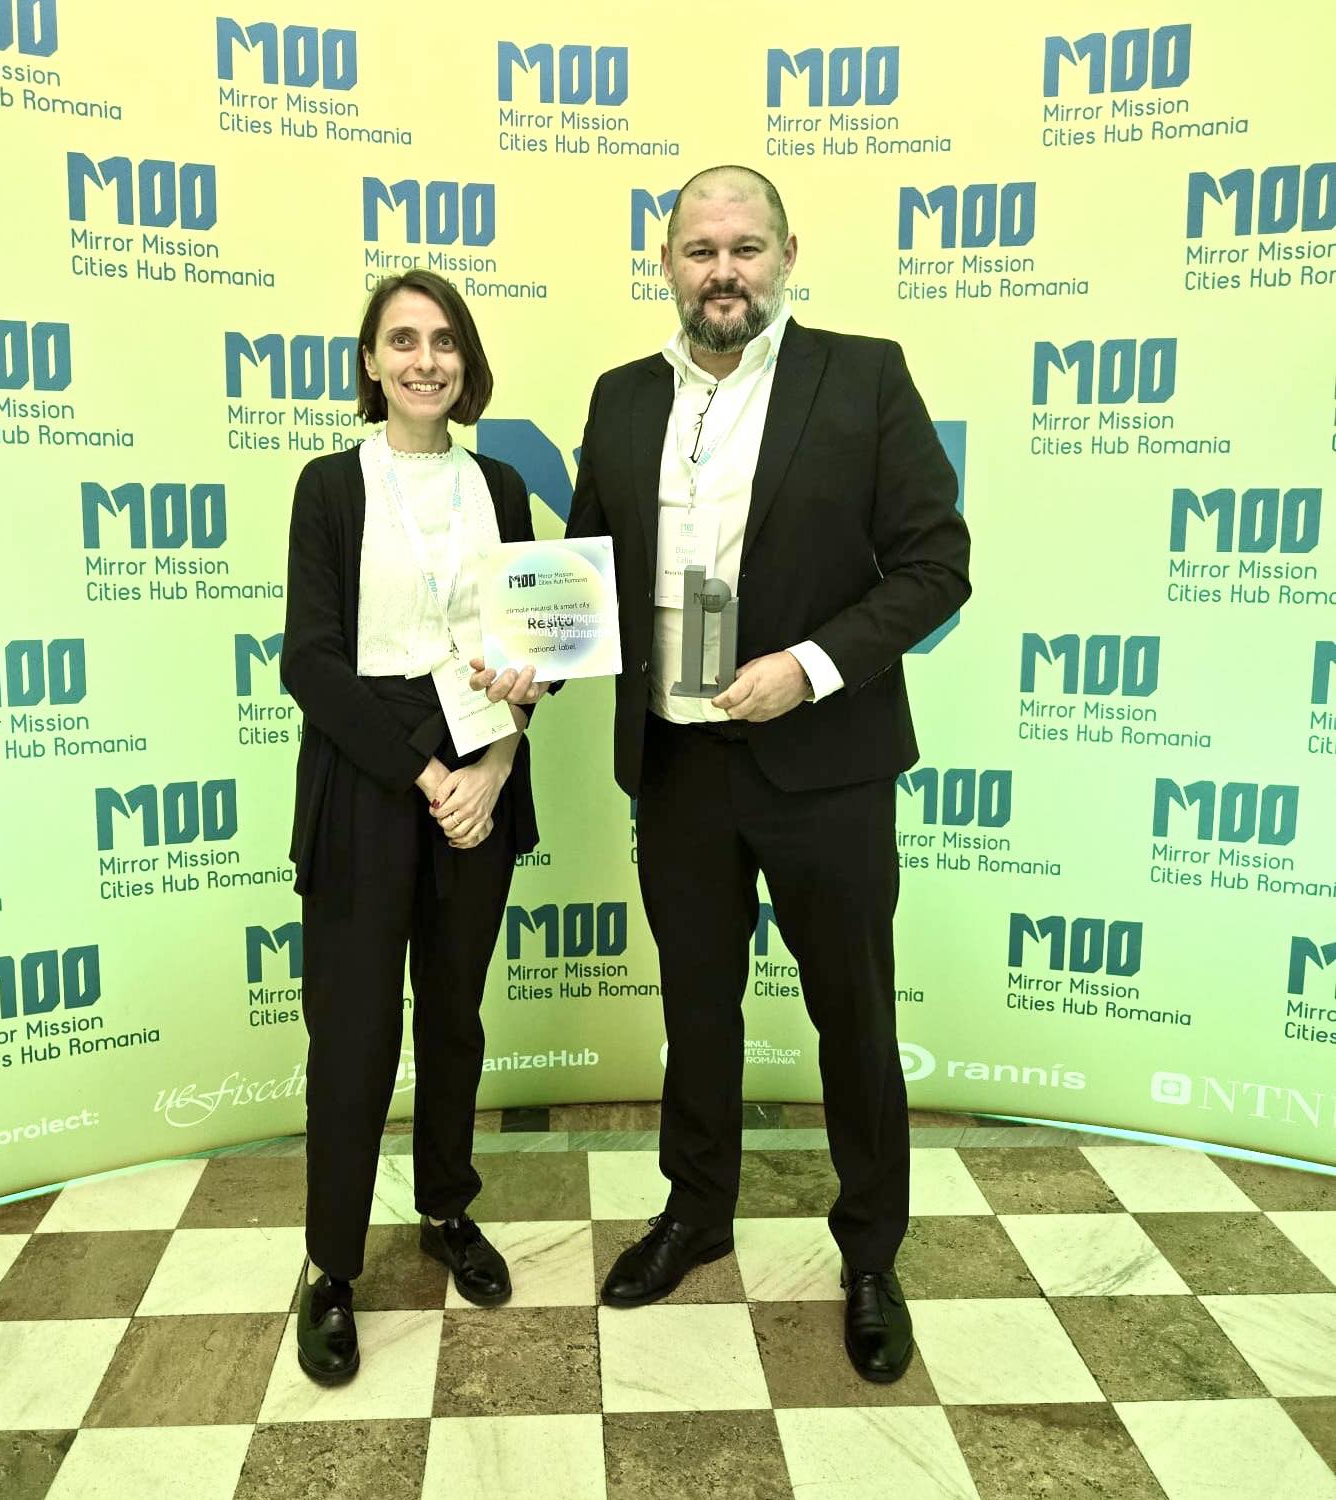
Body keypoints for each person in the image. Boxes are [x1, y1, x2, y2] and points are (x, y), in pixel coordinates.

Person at [482, 165, 970, 1383]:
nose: (724, 271)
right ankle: (697, 1213)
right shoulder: (623, 395)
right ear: (667, 262)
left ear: (787, 255)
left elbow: (935, 565)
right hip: (678, 766)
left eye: (746, 247)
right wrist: (531, 665)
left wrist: (810, 667)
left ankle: (871, 1256)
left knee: (853, 1014)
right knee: (697, 1009)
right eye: (701, 250)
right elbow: (591, 576)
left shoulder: (864, 376)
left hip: (825, 766)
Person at [280, 270, 540, 1384]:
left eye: (443, 341)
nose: (424, 360)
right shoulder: (329, 486)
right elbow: (310, 662)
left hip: (483, 766)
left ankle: (446, 1210)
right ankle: (332, 1267)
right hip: (367, 775)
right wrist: (430, 773)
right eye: (402, 340)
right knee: (351, 1036)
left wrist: (497, 762)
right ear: (371, 364)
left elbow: (538, 651)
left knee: (454, 1016)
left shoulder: (505, 487)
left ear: (464, 360)